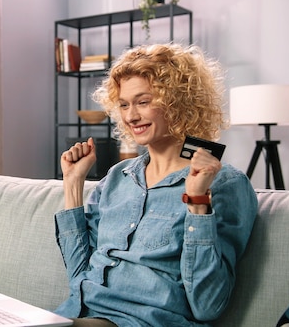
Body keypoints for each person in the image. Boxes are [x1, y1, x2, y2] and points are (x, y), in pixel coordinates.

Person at [54, 43, 258, 326]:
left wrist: (197, 200)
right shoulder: (116, 177)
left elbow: (207, 306)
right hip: (78, 315)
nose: (131, 116)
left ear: (178, 102)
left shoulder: (226, 184)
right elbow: (79, 280)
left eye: (143, 101)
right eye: (124, 104)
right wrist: (73, 184)